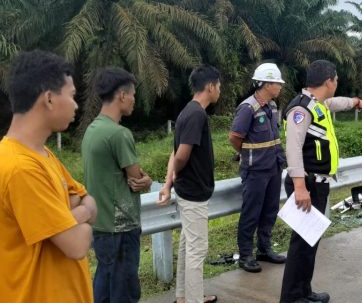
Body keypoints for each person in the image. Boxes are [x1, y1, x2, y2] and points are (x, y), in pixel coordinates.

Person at [0, 50, 97, 303]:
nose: (76, 105)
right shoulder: (20, 168)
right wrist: (79, 216)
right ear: (50, 99)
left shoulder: (43, 155)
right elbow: (76, 244)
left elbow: (88, 201)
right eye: (73, 96)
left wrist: (72, 216)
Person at [280, 59, 362, 303]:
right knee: (301, 244)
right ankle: (291, 298)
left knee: (309, 242)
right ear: (328, 80)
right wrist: (300, 188)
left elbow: (335, 103)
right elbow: (293, 149)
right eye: (337, 78)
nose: (337, 82)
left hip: (316, 184)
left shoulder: (318, 104)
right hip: (306, 184)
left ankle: (304, 292)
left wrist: (355, 102)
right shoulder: (301, 109)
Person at [82, 67, 153, 303]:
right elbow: (137, 179)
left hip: (100, 224)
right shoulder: (119, 134)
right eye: (133, 94)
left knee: (104, 286)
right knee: (124, 290)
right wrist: (148, 181)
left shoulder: (92, 130)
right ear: (122, 95)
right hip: (121, 226)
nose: (134, 100)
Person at [157, 65, 221, 303]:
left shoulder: (187, 111)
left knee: (187, 245)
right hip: (193, 192)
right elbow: (181, 155)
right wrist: (172, 179)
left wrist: (168, 183)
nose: (219, 90)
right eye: (219, 86)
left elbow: (174, 154)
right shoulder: (197, 114)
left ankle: (183, 296)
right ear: (210, 86)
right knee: (197, 250)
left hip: (186, 189)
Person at [230, 63, 287, 273]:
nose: (280, 87)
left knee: (270, 210)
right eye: (277, 83)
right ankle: (245, 255)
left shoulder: (271, 107)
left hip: (273, 167)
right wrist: (246, 154)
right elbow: (235, 137)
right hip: (255, 170)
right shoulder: (248, 108)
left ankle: (264, 249)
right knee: (251, 213)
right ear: (266, 84)